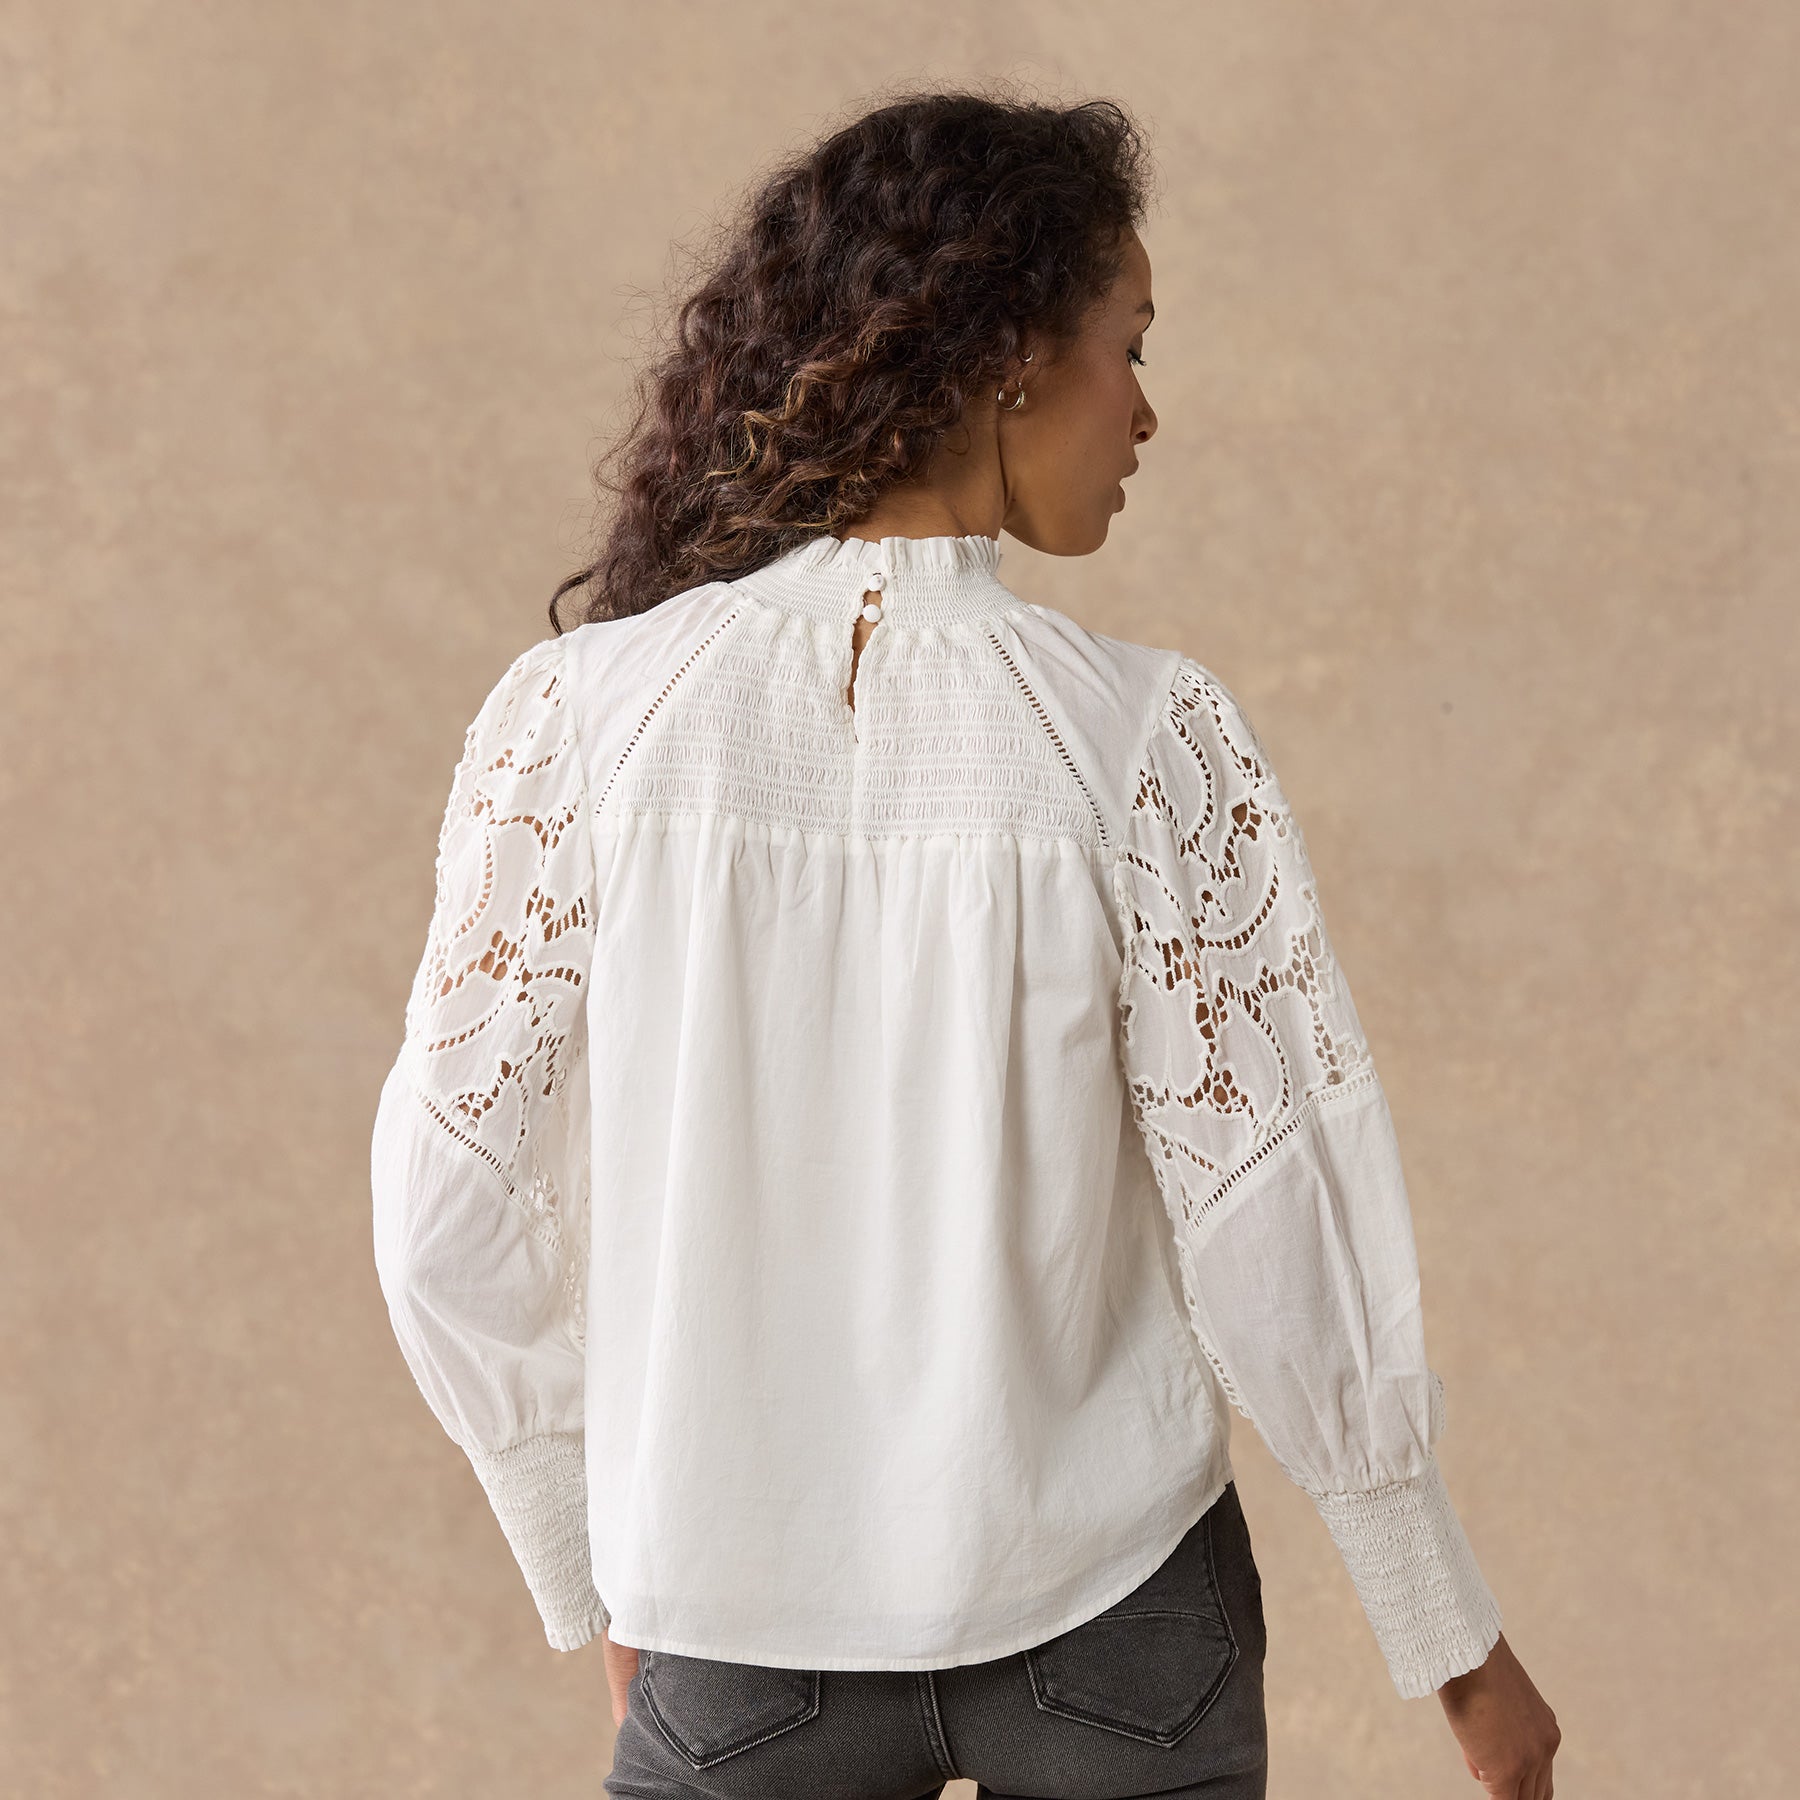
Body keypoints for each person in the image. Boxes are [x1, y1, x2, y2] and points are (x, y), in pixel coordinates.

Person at [370, 88, 1560, 1799]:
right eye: (1127, 346)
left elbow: (449, 1213)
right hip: (1121, 1626)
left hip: (736, 1635)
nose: (1144, 410)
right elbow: (1276, 1219)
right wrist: (1451, 1641)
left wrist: (595, 1559)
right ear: (1008, 357)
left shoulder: (580, 719)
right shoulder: (1140, 739)